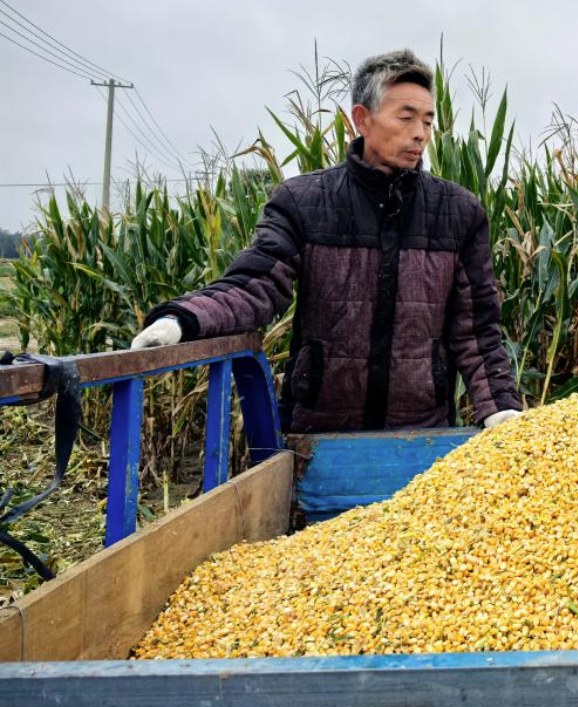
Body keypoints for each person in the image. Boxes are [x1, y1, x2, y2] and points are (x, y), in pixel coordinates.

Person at [131, 50, 522, 432]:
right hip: (318, 430)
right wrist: (182, 318)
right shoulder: (304, 203)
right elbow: (255, 286)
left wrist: (501, 407)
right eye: (405, 118)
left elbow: (475, 327)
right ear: (362, 120)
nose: (419, 133)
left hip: (420, 433)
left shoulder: (457, 212)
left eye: (427, 121)